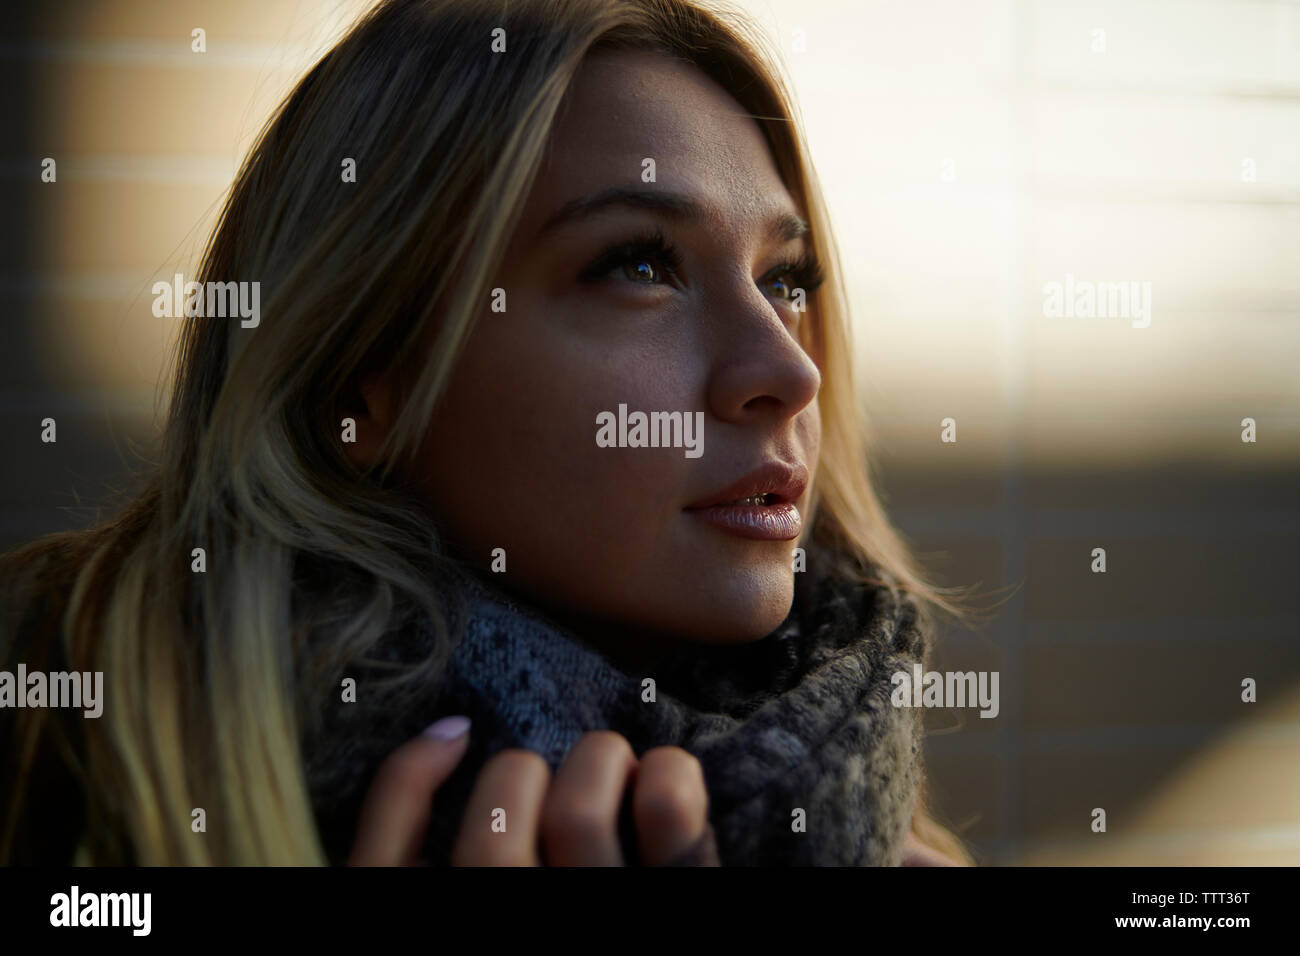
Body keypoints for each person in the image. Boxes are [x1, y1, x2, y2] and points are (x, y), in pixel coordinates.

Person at [0, 0, 980, 866]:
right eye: (639, 264)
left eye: (784, 279)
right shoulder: (55, 763)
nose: (787, 371)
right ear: (362, 385)